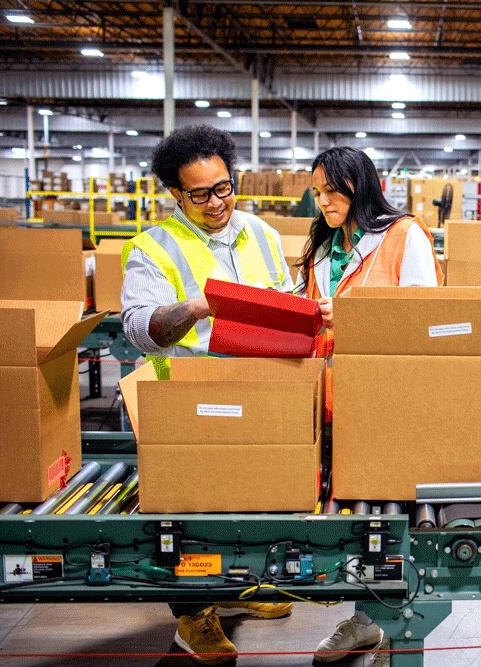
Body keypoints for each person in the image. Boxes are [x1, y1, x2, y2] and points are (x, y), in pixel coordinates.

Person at [120, 124, 295, 665]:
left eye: (224, 188)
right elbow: (137, 326)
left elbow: (285, 301)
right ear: (175, 193)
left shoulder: (262, 234)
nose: (217, 203)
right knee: (187, 510)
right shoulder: (153, 247)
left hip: (260, 391)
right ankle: (194, 614)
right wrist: (197, 307)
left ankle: (246, 588)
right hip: (189, 398)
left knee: (259, 496)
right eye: (201, 194)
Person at [296, 147, 442, 666]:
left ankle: (392, 626)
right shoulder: (322, 245)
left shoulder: (405, 236)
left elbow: (425, 324)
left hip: (388, 405)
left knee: (390, 521)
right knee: (355, 521)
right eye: (316, 193)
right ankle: (367, 621)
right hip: (333, 404)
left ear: (358, 185)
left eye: (330, 191)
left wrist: (354, 315)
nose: (323, 202)